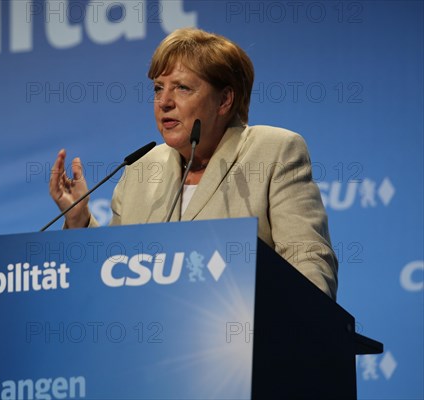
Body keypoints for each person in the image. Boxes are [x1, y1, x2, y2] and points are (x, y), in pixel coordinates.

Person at [49, 28, 338, 299]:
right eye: (158, 89)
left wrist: (299, 334)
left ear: (224, 100)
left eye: (182, 88)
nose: (164, 102)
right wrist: (79, 222)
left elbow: (308, 259)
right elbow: (117, 272)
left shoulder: (273, 151)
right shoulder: (140, 169)